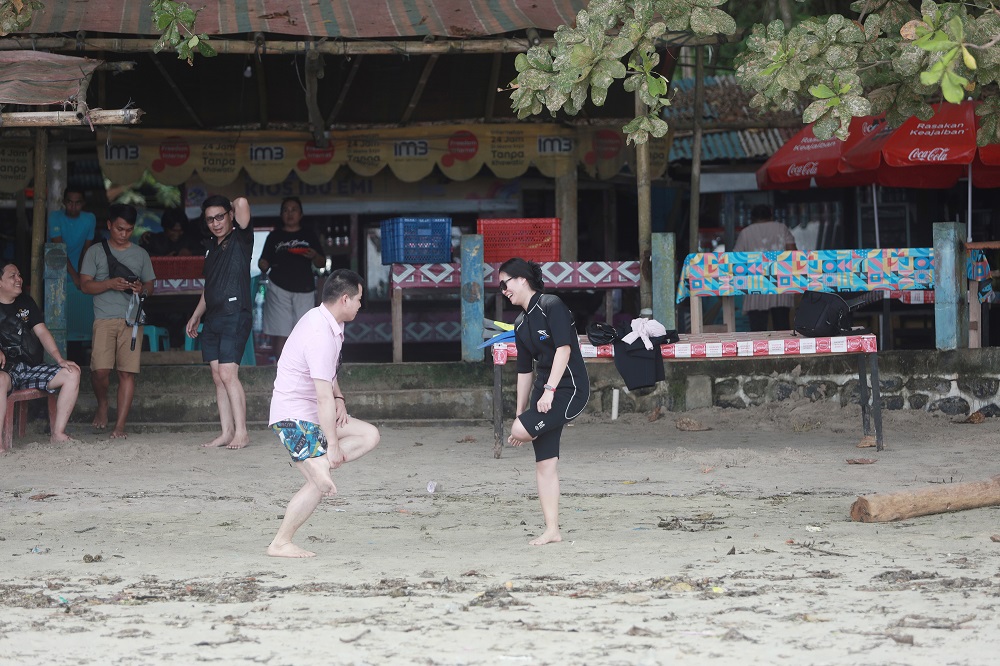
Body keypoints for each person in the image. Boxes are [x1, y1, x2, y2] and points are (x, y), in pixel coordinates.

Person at [267, 269, 380, 558]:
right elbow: (321, 396)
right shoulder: (320, 332)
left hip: (311, 411)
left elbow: (328, 374)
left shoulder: (330, 323)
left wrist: (340, 397)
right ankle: (281, 543)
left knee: (369, 435)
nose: (360, 305)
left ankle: (321, 463)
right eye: (359, 300)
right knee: (317, 485)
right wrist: (332, 444)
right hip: (293, 416)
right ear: (345, 299)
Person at [500, 257, 590, 546]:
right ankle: (552, 529)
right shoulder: (520, 323)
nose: (504, 291)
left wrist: (550, 390)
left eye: (505, 284)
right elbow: (524, 371)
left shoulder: (552, 305)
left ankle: (553, 529)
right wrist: (520, 413)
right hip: (543, 396)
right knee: (545, 464)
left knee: (519, 431)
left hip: (568, 389)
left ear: (522, 280)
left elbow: (564, 349)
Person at [79, 204, 155, 439]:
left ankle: (120, 426)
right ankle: (103, 403)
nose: (124, 234)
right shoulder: (95, 252)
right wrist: (109, 284)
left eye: (129, 230)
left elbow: (150, 285)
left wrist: (141, 289)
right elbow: (85, 285)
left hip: (132, 320)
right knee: (100, 371)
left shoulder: (141, 254)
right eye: (119, 229)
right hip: (104, 318)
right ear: (109, 225)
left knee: (126, 373)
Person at [185, 195, 254, 450]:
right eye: (210, 219)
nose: (215, 223)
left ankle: (242, 433)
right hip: (213, 316)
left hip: (235, 314)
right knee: (217, 376)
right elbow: (209, 287)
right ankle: (227, 432)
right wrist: (196, 315)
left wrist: (231, 207)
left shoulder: (241, 239)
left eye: (220, 217)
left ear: (230, 215)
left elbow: (242, 202)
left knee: (227, 373)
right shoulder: (211, 248)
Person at [0, 260, 81, 444]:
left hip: (31, 368)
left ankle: (57, 434)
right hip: (7, 372)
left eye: (19, 275)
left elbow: (42, 332)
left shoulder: (26, 302)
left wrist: (59, 359)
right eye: (12, 276)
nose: (19, 279)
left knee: (72, 373)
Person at [258, 197, 325, 360]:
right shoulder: (274, 236)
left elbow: (321, 263)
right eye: (286, 210)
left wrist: (314, 255)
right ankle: (281, 369)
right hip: (278, 288)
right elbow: (263, 262)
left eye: (293, 210)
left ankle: (302, 368)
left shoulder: (309, 234)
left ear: (300, 214)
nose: (290, 213)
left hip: (305, 288)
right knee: (281, 331)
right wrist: (262, 264)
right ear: (281, 215)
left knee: (305, 332)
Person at [733, 204, 798, 331]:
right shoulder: (781, 228)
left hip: (755, 286)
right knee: (782, 329)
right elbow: (793, 254)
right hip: (780, 284)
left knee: (758, 331)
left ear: (752, 218)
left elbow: (736, 259)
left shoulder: (746, 232)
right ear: (771, 215)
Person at [47, 187, 97, 349]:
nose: (73, 206)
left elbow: (86, 249)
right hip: (56, 273)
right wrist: (76, 276)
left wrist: (83, 274)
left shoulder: (90, 219)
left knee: (80, 319)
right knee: (58, 320)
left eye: (77, 203)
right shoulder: (55, 217)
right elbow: (59, 249)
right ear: (64, 202)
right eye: (69, 202)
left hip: (79, 275)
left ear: (83, 203)